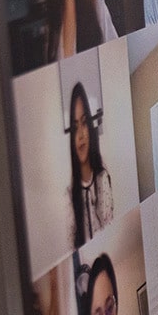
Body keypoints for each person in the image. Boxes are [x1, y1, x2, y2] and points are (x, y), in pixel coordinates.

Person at [64, 82, 113, 248]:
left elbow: (109, 229)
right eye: (75, 127)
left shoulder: (102, 179)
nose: (80, 135)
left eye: (84, 123)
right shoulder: (69, 196)